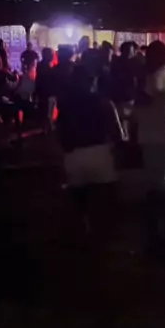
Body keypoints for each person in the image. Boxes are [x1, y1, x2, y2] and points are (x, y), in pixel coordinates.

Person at [56, 64, 124, 242]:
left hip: (74, 156)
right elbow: (118, 134)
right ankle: (104, 234)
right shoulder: (105, 103)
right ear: (93, 81)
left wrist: (66, 155)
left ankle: (83, 227)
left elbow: (59, 133)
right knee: (108, 192)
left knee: (79, 196)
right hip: (100, 154)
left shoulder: (65, 105)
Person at [135, 40, 165, 253]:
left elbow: (142, 101)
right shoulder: (164, 74)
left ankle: (161, 234)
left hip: (157, 134)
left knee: (158, 183)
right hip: (157, 132)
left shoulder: (158, 76)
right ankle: (160, 233)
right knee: (158, 182)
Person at [35, 48, 56, 128]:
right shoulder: (47, 67)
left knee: (44, 110)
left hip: (41, 91)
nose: (53, 56)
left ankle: (44, 126)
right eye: (51, 54)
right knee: (47, 111)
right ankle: (47, 126)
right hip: (47, 92)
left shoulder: (40, 65)